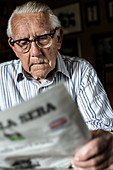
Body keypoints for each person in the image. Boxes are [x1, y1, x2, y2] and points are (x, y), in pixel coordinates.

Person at [0, 1, 113, 169]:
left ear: (58, 38)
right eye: (23, 42)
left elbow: (102, 127)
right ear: (14, 47)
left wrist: (102, 141)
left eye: (43, 38)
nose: (35, 52)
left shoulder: (81, 71)